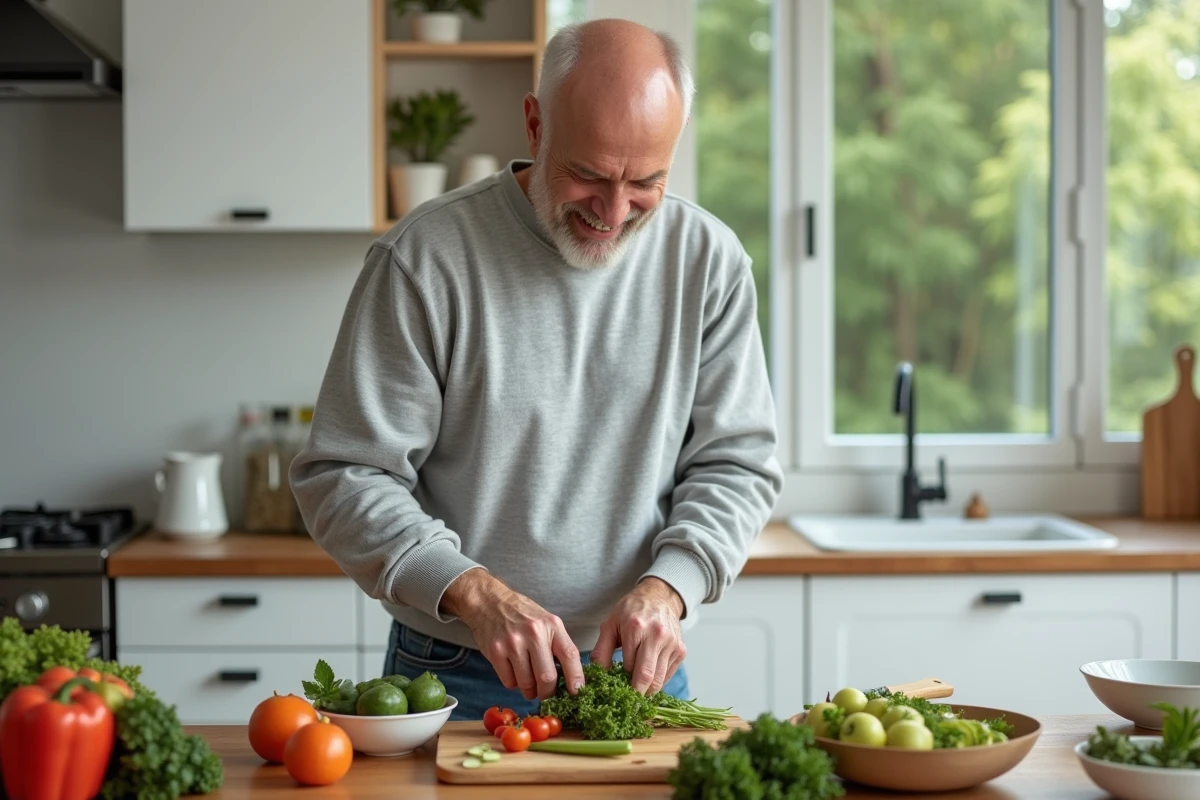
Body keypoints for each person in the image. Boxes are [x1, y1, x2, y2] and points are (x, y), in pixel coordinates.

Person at [289, 18, 783, 721]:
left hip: (637, 674)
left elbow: (738, 464)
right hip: (455, 670)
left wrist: (667, 588)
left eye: (646, 181)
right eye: (588, 175)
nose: (614, 213)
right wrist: (475, 593)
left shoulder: (710, 262)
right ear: (533, 125)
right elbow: (343, 472)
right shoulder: (425, 258)